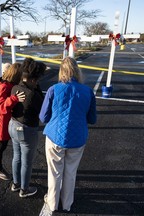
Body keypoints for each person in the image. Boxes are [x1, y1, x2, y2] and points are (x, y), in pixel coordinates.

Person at [39, 57, 97, 215]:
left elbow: (43, 117)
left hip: (55, 137)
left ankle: (52, 203)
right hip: (78, 138)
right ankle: (67, 204)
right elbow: (92, 119)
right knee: (71, 172)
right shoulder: (88, 91)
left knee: (54, 172)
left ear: (61, 71)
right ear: (77, 71)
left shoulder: (53, 89)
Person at [8, 58, 47, 198]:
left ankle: (16, 183)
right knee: (27, 162)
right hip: (26, 129)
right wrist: (37, 89)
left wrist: (34, 87)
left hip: (13, 125)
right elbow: (43, 109)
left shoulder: (15, 87)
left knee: (16, 157)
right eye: (36, 80)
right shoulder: (32, 95)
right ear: (33, 79)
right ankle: (24, 189)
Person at [0, 63, 25, 181]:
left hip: (7, 120)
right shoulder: (4, 87)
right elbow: (0, 107)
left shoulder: (8, 85)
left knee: (4, 145)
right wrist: (14, 99)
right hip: (2, 122)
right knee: (1, 145)